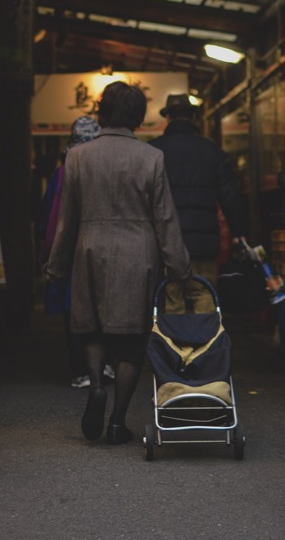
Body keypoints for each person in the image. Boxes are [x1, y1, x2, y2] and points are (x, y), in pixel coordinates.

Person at [46, 81, 190, 445]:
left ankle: (96, 385)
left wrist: (56, 266)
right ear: (138, 116)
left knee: (92, 329)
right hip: (137, 255)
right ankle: (117, 421)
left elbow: (68, 218)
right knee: (131, 343)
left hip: (90, 250)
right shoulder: (151, 158)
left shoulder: (77, 157)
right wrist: (178, 267)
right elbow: (165, 218)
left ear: (102, 111)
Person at [37, 115, 114, 388]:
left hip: (70, 250)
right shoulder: (107, 167)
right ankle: (105, 365)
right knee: (103, 307)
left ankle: (82, 369)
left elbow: (50, 216)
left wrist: (49, 253)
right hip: (104, 248)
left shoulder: (62, 171)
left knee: (74, 310)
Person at [149, 93, 246, 310]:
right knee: (204, 297)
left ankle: (176, 344)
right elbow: (230, 196)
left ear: (168, 118)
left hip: (167, 245)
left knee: (173, 300)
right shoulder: (213, 152)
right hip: (204, 245)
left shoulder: (153, 151)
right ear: (193, 117)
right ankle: (203, 343)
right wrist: (240, 232)